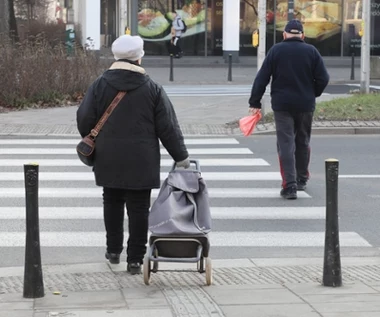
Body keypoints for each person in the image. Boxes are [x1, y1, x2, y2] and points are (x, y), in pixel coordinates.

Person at [76, 35, 190, 274]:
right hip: (142, 158)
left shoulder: (99, 84)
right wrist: (181, 156)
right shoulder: (152, 88)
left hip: (108, 156)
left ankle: (113, 250)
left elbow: (84, 119)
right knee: (138, 207)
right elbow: (168, 127)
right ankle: (135, 259)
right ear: (139, 57)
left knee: (112, 200)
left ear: (115, 56)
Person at [248, 19, 329, 200]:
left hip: (282, 105)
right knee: (303, 141)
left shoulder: (276, 51)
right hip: (305, 105)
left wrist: (255, 102)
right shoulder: (312, 52)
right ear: (302, 35)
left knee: (285, 144)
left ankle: (289, 186)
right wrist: (312, 93)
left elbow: (262, 78)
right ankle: (301, 179)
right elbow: (323, 78)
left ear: (284, 35)